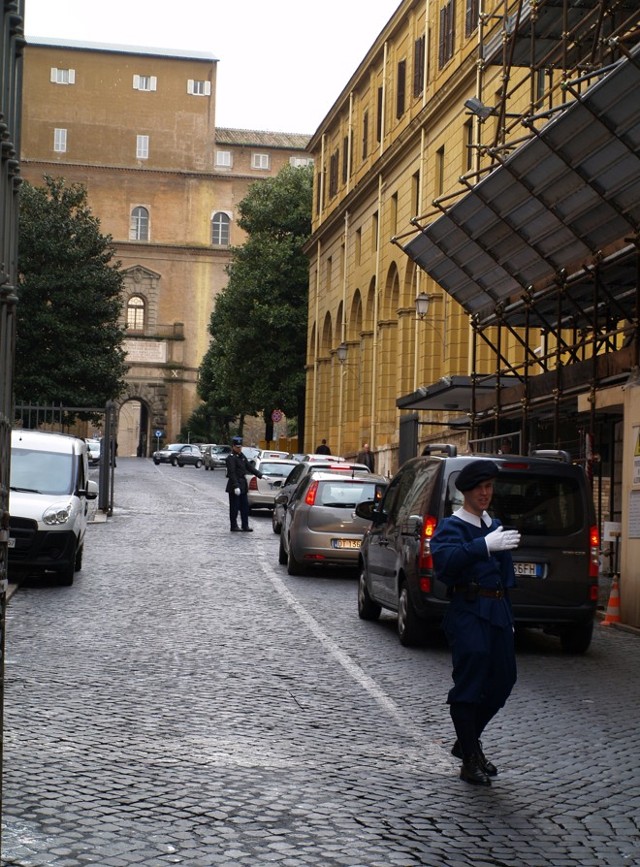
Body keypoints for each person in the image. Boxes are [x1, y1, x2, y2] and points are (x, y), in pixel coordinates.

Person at [430, 459, 520, 787]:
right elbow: (446, 564)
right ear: (466, 492)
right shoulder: (450, 527)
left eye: (489, 487)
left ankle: (466, 740)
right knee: (469, 684)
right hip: (468, 610)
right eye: (480, 488)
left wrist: (509, 618)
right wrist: (483, 545)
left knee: (503, 681)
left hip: (496, 611)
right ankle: (470, 758)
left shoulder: (493, 524)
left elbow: (505, 576)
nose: (485, 493)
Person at [225, 436, 263, 532]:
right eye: (237, 447)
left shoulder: (242, 456)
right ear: (233, 447)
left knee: (244, 507)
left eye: (240, 447)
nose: (239, 449)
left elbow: (249, 467)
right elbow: (232, 473)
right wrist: (236, 486)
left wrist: (260, 475)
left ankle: (245, 525)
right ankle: (234, 526)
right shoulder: (231, 458)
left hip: (243, 485)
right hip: (235, 485)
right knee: (234, 507)